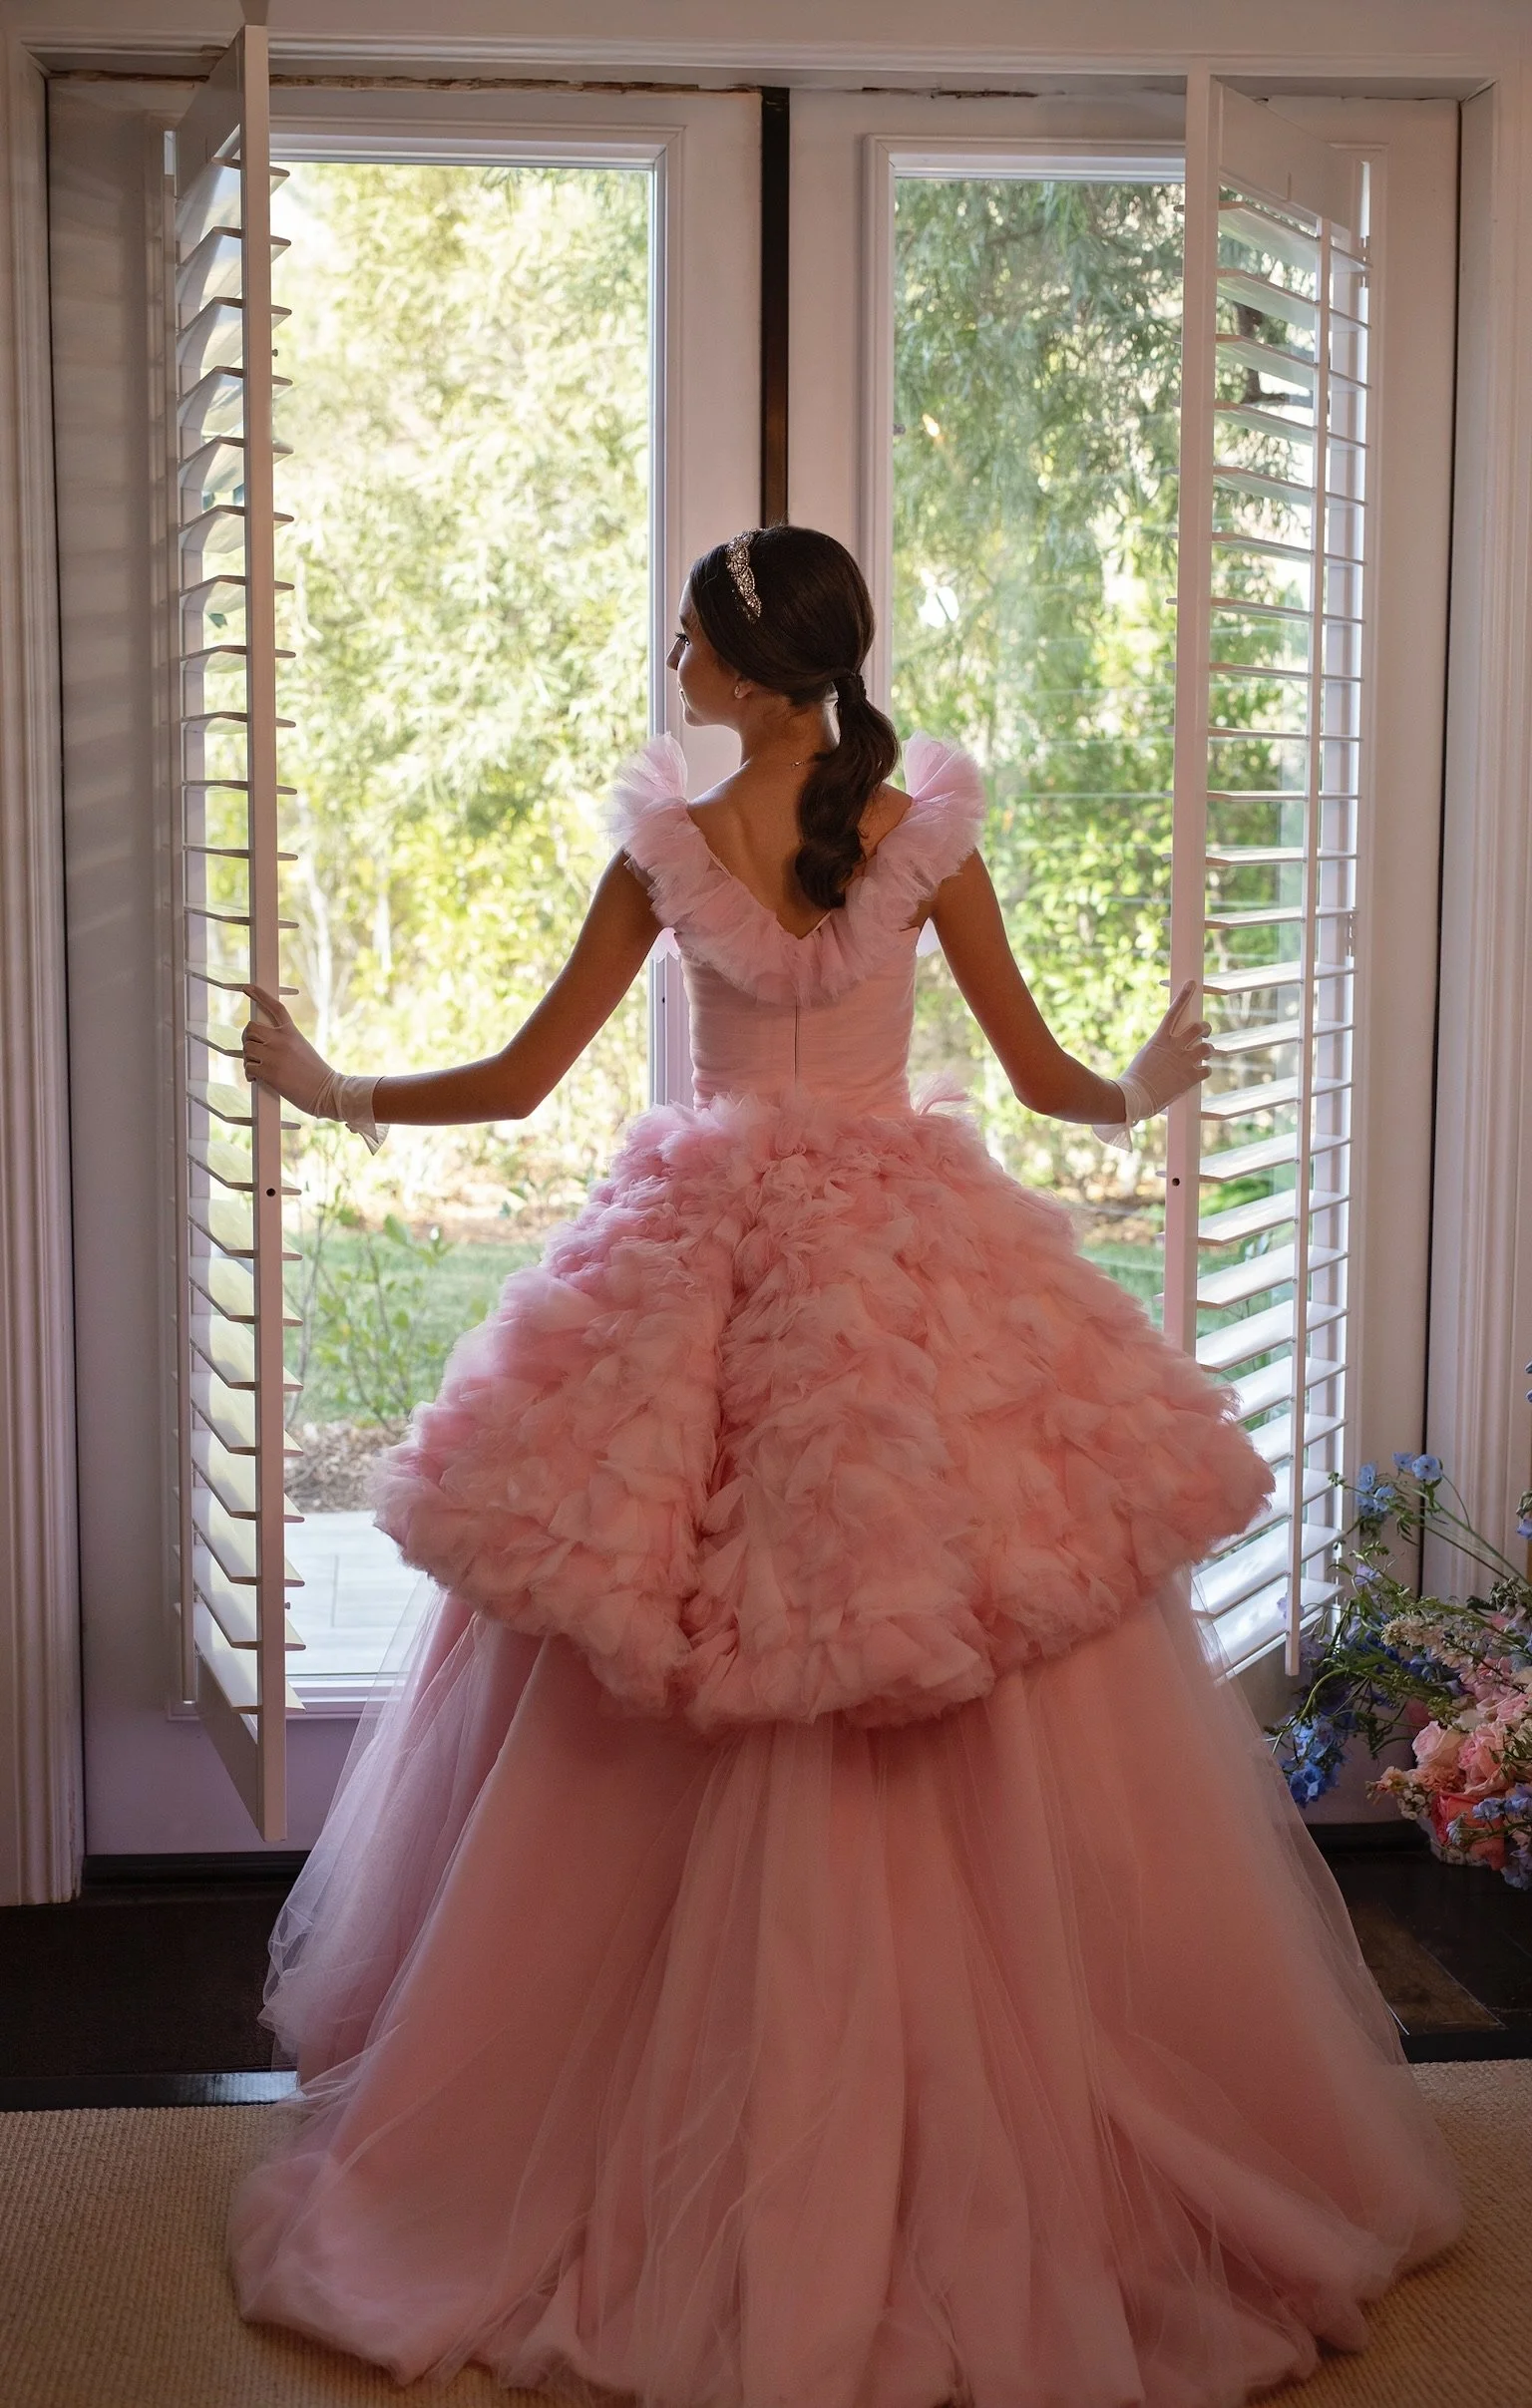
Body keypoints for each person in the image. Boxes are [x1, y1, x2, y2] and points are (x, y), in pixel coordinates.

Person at [228, 524, 1461, 2407]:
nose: (670, 659)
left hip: (708, 1256)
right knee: (941, 1615)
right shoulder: (908, 838)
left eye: (689, 637)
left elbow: (522, 1077)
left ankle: (633, 2089)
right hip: (901, 1255)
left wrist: (337, 1093)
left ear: (743, 661)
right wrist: (1144, 1083)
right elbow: (1047, 1078)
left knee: (671, 1613)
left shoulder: (671, 852)